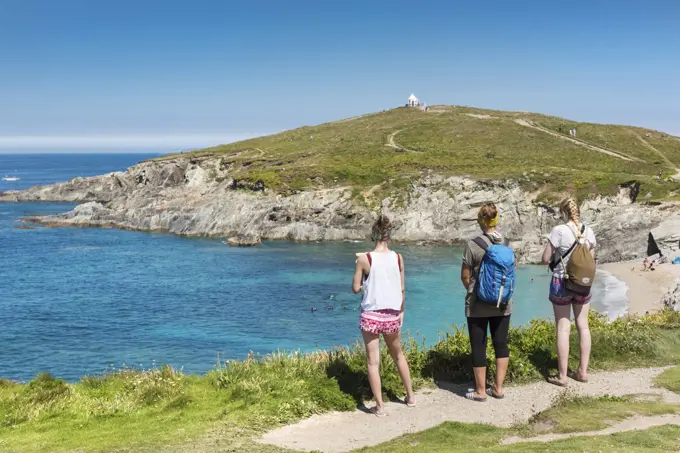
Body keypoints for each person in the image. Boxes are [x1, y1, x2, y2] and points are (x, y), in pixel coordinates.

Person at [352, 215, 415, 416]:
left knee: (373, 361)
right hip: (392, 314)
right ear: (389, 235)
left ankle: (380, 407)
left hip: (371, 314)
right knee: (398, 355)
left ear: (374, 234)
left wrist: (365, 284)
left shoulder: (364, 259)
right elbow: (402, 288)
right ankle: (411, 396)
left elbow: (355, 288)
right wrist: (401, 311)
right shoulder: (398, 258)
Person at [460, 203, 513, 401]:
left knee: (479, 345)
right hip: (503, 303)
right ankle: (498, 388)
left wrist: (475, 291)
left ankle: (481, 391)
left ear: (480, 221)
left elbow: (465, 276)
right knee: (501, 344)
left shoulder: (472, 245)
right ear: (496, 220)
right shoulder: (507, 244)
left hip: (477, 304)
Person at [542, 198, 596, 386]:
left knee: (563, 328)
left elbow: (545, 258)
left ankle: (563, 376)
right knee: (584, 326)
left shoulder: (559, 231)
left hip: (561, 282)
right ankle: (583, 372)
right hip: (583, 284)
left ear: (563, 213)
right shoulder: (589, 231)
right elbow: (592, 258)